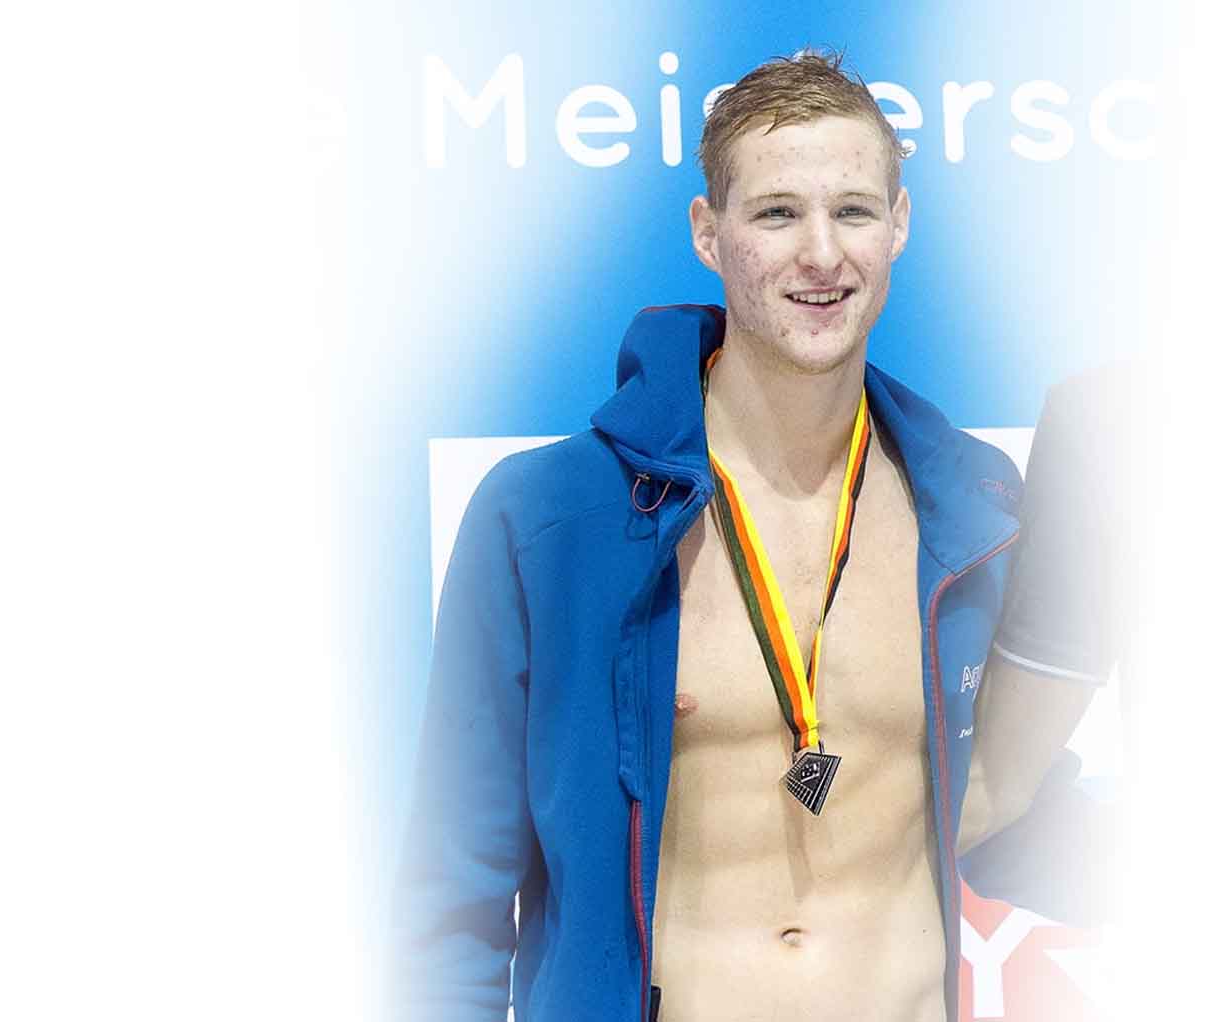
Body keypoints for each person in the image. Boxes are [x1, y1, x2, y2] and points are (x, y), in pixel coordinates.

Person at [393, 52, 1111, 1022]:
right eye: (776, 213)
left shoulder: (972, 504)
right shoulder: (552, 516)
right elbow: (452, 905)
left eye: (853, 211)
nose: (821, 253)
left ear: (898, 224)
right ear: (708, 231)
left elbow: (997, 805)